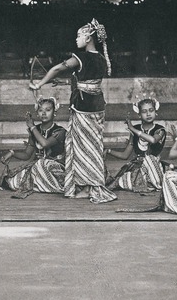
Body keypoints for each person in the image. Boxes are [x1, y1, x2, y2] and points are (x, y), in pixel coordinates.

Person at [29, 18, 116, 203]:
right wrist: (62, 82)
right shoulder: (101, 58)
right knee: (93, 147)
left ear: (88, 38)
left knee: (81, 148)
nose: (76, 39)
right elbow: (89, 81)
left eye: (79, 35)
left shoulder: (81, 57)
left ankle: (88, 186)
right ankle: (91, 184)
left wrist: (39, 83)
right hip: (97, 107)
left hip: (84, 109)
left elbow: (58, 68)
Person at [0, 96, 67, 199]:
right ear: (37, 113)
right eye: (40, 110)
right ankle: (40, 184)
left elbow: (44, 144)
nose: (44, 113)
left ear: (54, 112)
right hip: (37, 168)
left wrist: (32, 127)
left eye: (48, 110)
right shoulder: (35, 130)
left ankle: (43, 184)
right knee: (13, 183)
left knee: (40, 163)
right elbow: (27, 155)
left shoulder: (60, 131)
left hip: (55, 168)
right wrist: (12, 153)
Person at [104, 96, 166, 192]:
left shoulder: (160, 130)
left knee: (149, 160)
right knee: (122, 180)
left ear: (155, 112)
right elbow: (125, 155)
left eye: (151, 110)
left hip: (153, 166)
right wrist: (108, 151)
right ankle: (142, 183)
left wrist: (132, 129)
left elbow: (153, 140)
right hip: (137, 167)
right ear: (139, 115)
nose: (148, 114)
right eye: (144, 111)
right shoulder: (135, 131)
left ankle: (151, 183)